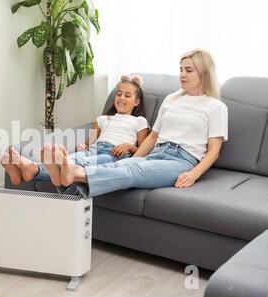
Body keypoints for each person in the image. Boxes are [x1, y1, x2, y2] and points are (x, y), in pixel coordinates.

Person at [43, 48, 228, 198]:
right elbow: (152, 137)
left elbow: (214, 151)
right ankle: (44, 172)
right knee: (120, 165)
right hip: (157, 152)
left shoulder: (215, 107)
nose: (182, 75)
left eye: (188, 70)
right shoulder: (172, 99)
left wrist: (193, 174)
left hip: (181, 160)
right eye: (180, 69)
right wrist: (135, 157)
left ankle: (73, 173)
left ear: (204, 73)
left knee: (133, 170)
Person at [1, 75, 150, 186]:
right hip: (95, 148)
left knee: (80, 162)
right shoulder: (103, 119)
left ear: (136, 102)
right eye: (119, 94)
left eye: (127, 95)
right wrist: (84, 146)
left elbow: (144, 150)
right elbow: (91, 141)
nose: (121, 98)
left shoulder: (139, 121)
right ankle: (27, 170)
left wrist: (129, 146)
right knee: (76, 159)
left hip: (115, 154)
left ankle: (31, 169)